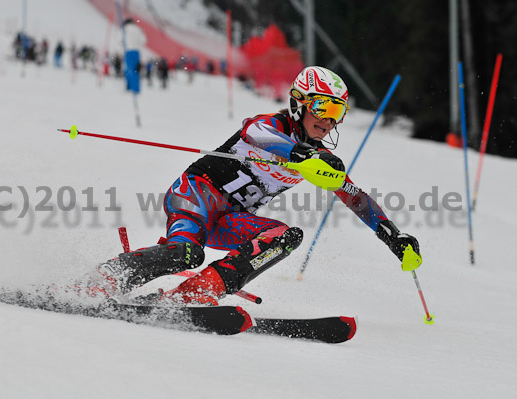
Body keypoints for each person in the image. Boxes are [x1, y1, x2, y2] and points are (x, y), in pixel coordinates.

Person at [91, 66, 421, 306]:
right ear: (299, 103)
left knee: (283, 237)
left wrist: (391, 234)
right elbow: (255, 133)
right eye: (322, 107)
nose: (328, 119)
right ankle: (103, 279)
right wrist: (300, 154)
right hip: (197, 195)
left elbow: (354, 197)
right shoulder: (272, 126)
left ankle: (199, 291)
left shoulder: (320, 160)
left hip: (230, 218)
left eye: (337, 111)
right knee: (186, 253)